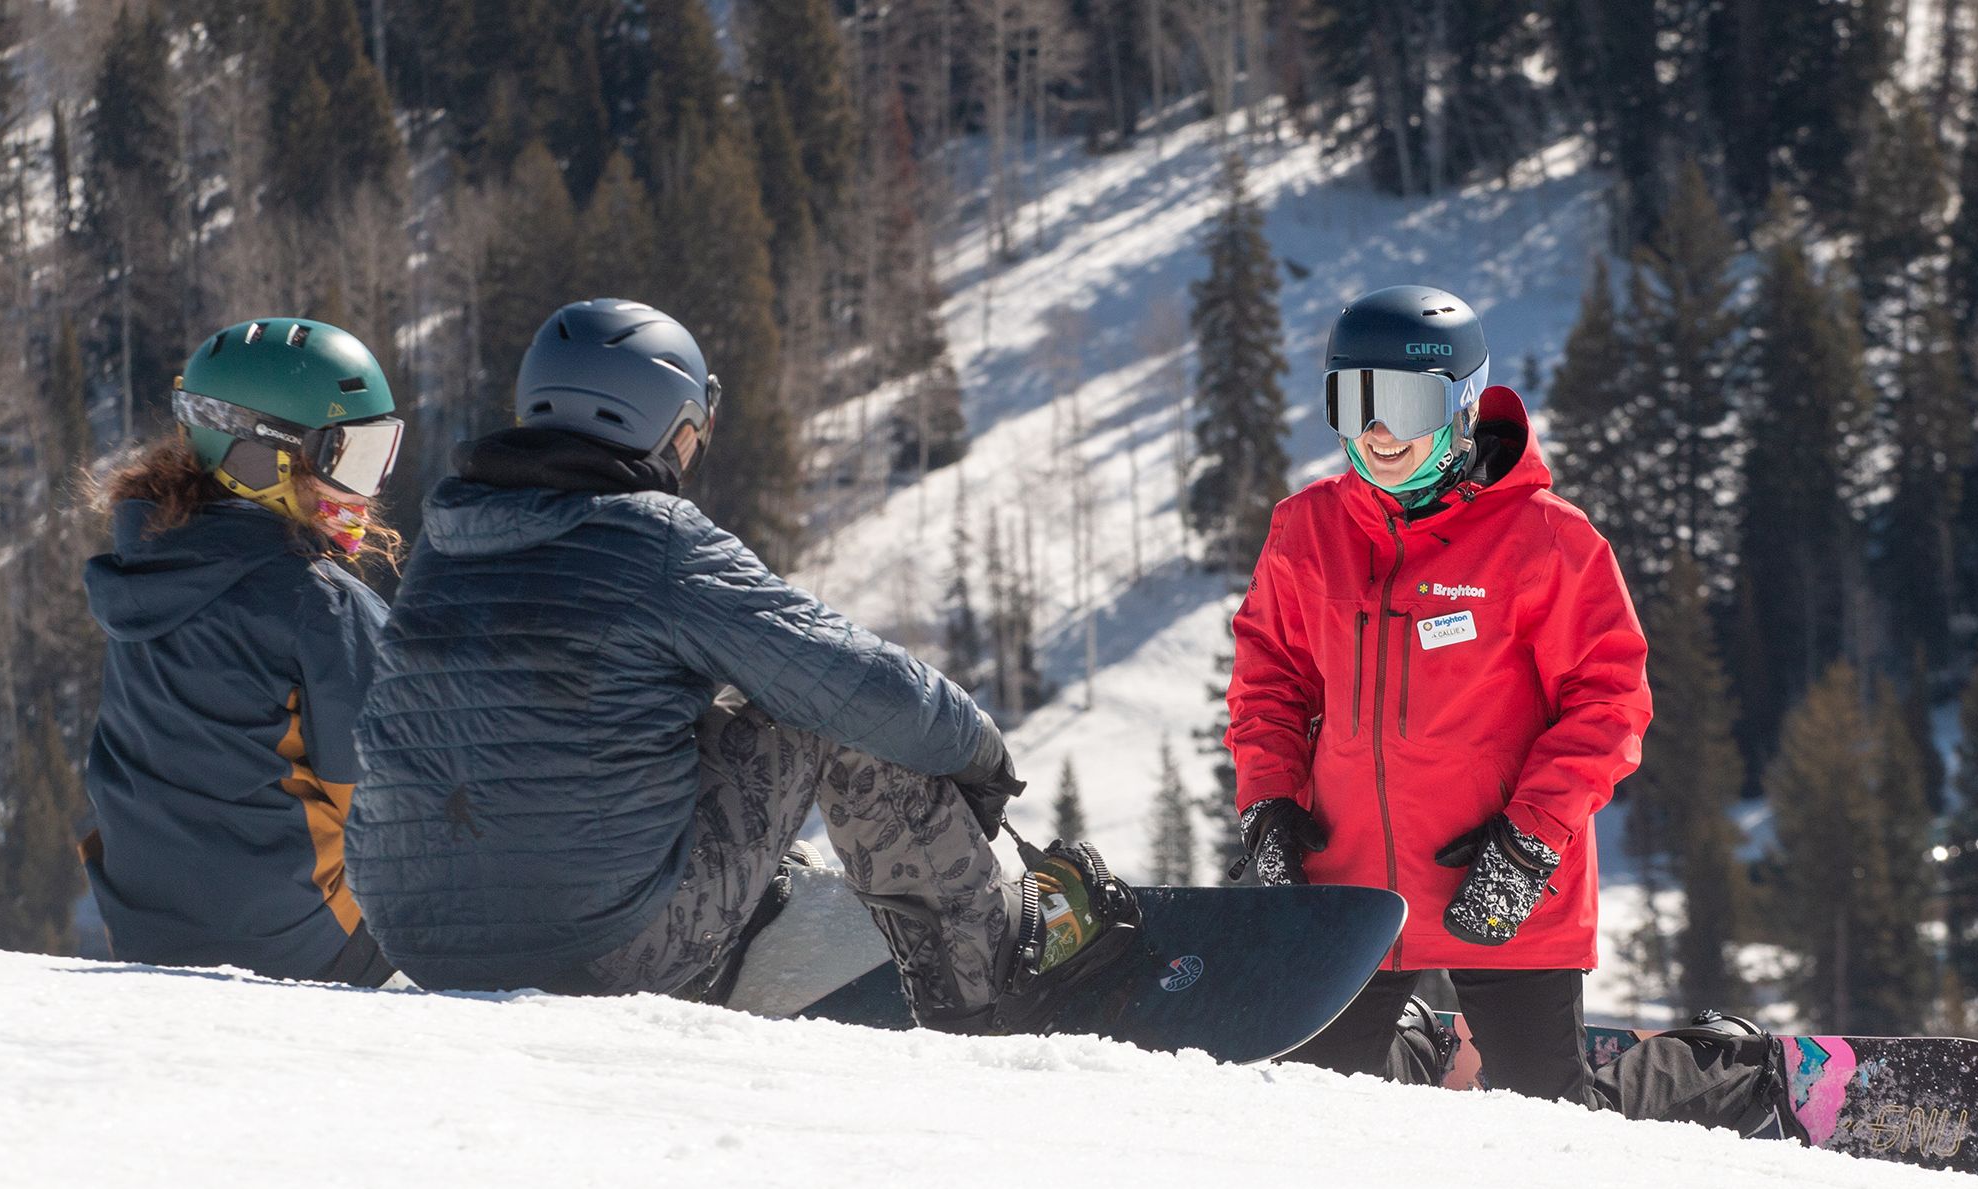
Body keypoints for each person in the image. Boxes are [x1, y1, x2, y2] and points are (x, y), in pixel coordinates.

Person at [344, 299, 1127, 1032]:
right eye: (690, 433)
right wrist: (978, 749)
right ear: (664, 426)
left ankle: (738, 925)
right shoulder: (654, 540)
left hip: (423, 941)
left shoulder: (445, 548)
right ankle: (989, 972)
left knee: (647, 718)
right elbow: (855, 681)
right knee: (819, 711)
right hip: (597, 952)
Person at [1226, 285, 1651, 1104]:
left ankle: (1700, 1076)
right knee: (1308, 1109)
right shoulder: (1307, 529)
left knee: (1545, 1111)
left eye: (1404, 402)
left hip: (1499, 873)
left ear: (1462, 405)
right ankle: (1417, 1057)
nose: (1378, 432)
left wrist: (1529, 844)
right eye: (1355, 401)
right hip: (1349, 882)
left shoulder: (1547, 538)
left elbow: (1610, 702)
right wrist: (1270, 805)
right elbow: (1269, 682)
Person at [83, 317, 407, 985]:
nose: (366, 490)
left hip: (145, 929)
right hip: (296, 947)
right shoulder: (322, 605)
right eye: (352, 458)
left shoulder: (145, 570)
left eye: (381, 454)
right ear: (265, 458)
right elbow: (395, 801)